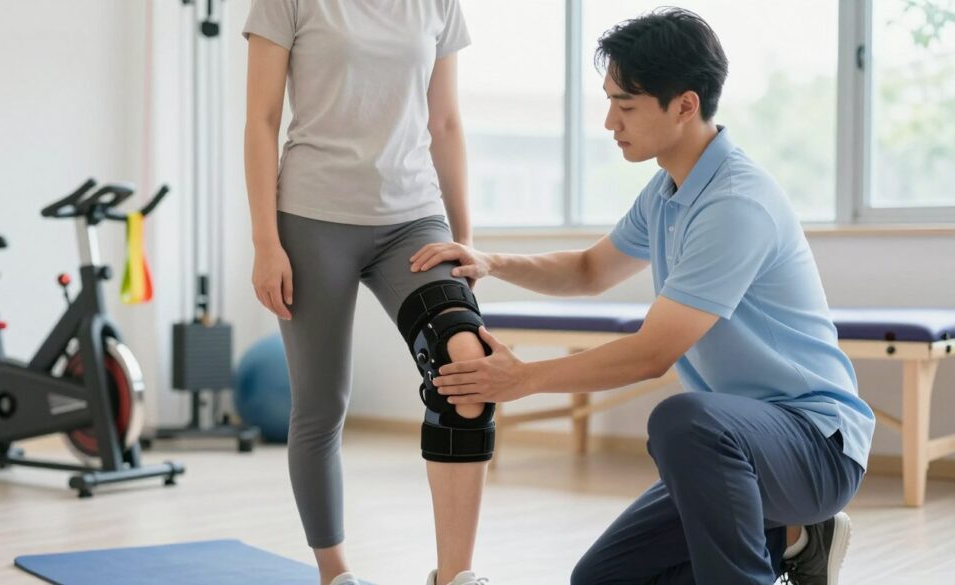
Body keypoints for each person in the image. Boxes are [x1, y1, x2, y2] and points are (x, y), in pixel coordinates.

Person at [410, 8, 875, 585]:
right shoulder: (667, 191)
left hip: (814, 446)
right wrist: (492, 261)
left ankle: (775, 548)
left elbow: (652, 353)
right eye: (610, 102)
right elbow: (589, 270)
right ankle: (796, 540)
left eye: (625, 105)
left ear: (684, 105)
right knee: (601, 579)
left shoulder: (735, 202)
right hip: (739, 445)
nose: (610, 122)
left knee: (684, 422)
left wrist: (522, 379)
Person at [241, 2, 495, 585]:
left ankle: (455, 574)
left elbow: (445, 123)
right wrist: (265, 241)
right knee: (321, 405)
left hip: (414, 218)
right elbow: (261, 120)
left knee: (466, 360)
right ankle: (335, 574)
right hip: (312, 217)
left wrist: (464, 238)